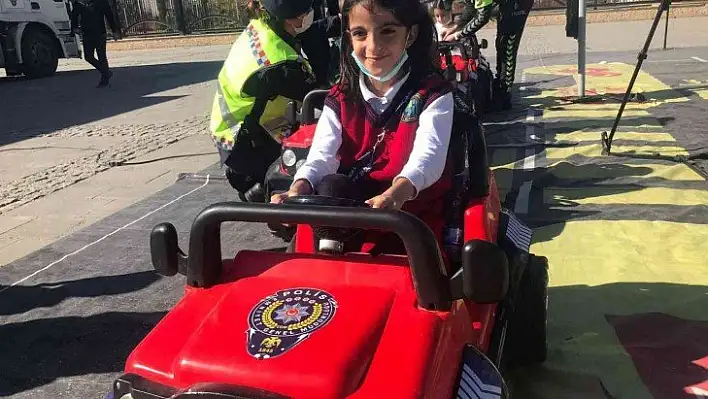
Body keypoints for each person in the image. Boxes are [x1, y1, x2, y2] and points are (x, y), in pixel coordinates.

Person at [271, 0, 455, 253]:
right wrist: (298, 188)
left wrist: (395, 194)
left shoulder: (432, 94)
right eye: (360, 34)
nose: (373, 46)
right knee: (330, 186)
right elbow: (322, 156)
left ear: (410, 35)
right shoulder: (340, 97)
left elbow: (428, 157)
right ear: (349, 38)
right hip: (350, 213)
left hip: (410, 214)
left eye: (388, 31)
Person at [210, 0, 319, 202]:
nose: (311, 13)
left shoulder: (260, 27)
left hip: (229, 130)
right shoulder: (279, 64)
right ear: (292, 17)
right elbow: (316, 95)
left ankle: (253, 179)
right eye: (307, 10)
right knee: (313, 159)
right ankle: (263, 188)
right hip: (245, 141)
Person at [441, 0, 534, 110]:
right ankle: (499, 83)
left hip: (516, 5)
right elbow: (471, 7)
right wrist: (455, 27)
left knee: (507, 44)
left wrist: (458, 35)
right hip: (504, 4)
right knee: (500, 43)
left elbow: (482, 18)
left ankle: (504, 94)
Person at [70, 0, 119, 88]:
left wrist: (114, 30)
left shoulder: (100, 2)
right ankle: (106, 72)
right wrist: (74, 28)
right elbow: (74, 15)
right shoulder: (79, 2)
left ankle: (104, 79)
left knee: (101, 56)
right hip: (87, 33)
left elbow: (109, 14)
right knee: (88, 57)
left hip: (100, 33)